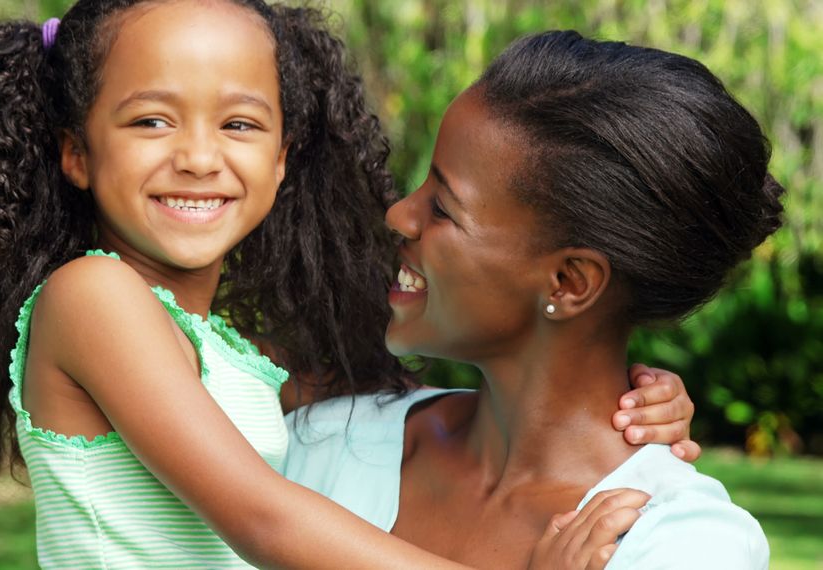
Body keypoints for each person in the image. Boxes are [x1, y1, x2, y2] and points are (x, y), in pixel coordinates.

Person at [0, 1, 699, 566]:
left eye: (238, 123)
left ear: (282, 160)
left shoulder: (226, 356)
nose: (200, 157)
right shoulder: (93, 298)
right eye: (150, 120)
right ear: (76, 153)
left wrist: (627, 398)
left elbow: (433, 397)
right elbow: (263, 517)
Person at [285, 30, 779, 569]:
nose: (400, 215)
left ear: (568, 283)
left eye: (444, 209)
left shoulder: (684, 542)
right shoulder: (329, 440)